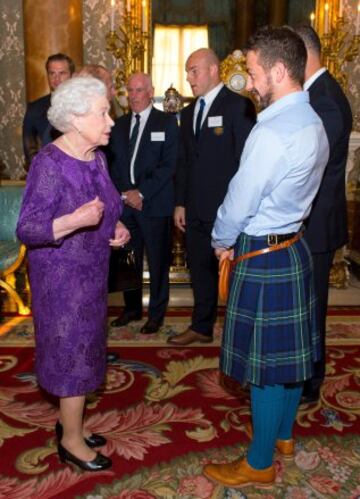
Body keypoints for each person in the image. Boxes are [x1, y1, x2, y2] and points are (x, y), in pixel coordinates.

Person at [203, 26, 329, 488]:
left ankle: (258, 463)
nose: (250, 83)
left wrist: (220, 240)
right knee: (291, 361)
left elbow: (240, 200)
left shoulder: (271, 130)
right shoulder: (313, 121)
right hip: (293, 248)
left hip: (261, 257)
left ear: (278, 71)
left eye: (254, 73)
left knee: (264, 370)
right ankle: (285, 437)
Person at [16, 76, 130, 472]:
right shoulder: (49, 163)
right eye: (103, 113)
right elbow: (28, 228)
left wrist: (114, 227)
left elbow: (107, 205)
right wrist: (74, 220)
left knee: (88, 351)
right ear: (77, 118)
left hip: (92, 276)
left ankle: (72, 425)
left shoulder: (95, 156)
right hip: (60, 282)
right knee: (71, 358)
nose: (111, 120)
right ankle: (70, 441)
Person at [168, 48, 256, 346]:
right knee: (201, 273)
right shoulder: (189, 111)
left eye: (194, 70)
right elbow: (183, 161)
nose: (189, 78)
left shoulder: (238, 107)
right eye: (187, 72)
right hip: (193, 211)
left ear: (213, 70)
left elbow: (246, 163)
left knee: (231, 277)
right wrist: (180, 202)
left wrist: (237, 209)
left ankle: (237, 335)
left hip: (227, 212)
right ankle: (201, 327)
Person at [294, 25, 353, 404]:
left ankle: (311, 383)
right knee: (304, 303)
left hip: (317, 223)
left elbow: (312, 164)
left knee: (313, 306)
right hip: (308, 220)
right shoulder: (313, 93)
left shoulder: (325, 98)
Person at [109, 73, 178, 334]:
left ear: (151, 92)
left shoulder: (167, 123)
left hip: (154, 204)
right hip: (125, 205)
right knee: (128, 260)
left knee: (159, 261)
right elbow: (112, 164)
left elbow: (169, 165)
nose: (134, 96)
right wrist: (125, 193)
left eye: (139, 90)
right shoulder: (119, 125)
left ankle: (156, 314)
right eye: (130, 91)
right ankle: (132, 309)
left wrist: (142, 193)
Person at [22, 53, 75, 169]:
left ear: (71, 75)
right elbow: (30, 149)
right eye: (52, 73)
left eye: (62, 73)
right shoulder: (34, 108)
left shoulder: (83, 106)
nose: (56, 79)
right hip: (45, 175)